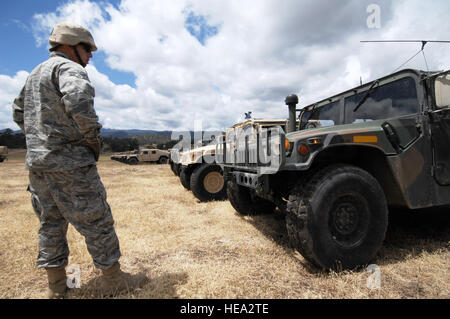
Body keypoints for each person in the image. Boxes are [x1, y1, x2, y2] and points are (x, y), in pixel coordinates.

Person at [12, 21, 148, 298]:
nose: (90, 55)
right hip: (70, 163)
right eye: (87, 48)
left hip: (38, 167)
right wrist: (90, 139)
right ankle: (113, 278)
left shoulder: (35, 73)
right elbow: (79, 101)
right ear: (70, 46)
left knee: (50, 224)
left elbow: (17, 112)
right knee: (97, 220)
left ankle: (57, 287)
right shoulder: (69, 68)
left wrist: (40, 139)